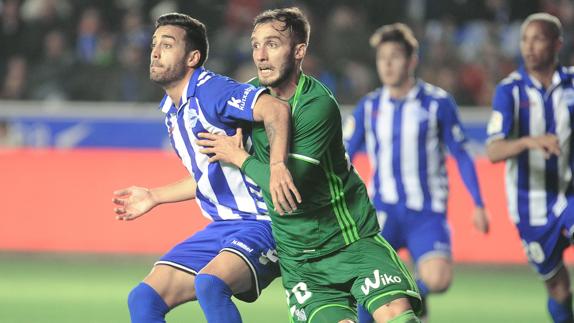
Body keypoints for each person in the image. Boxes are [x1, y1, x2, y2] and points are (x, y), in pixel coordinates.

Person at [196, 7, 421, 323]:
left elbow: (291, 187)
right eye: (255, 44)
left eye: (272, 44)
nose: (260, 55)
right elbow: (209, 164)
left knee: (399, 317)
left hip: (349, 241)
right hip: (301, 260)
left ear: (299, 51)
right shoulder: (248, 99)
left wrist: (239, 158)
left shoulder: (317, 104)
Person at [112, 12, 301, 323]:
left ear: (192, 57)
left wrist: (278, 166)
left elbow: (277, 110)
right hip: (222, 227)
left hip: (264, 223)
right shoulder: (173, 113)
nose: (156, 52)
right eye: (154, 45)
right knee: (144, 297)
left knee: (210, 283)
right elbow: (207, 177)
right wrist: (154, 196)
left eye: (168, 45)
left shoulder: (210, 90)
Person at [343, 23, 489, 321]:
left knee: (439, 279)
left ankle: (413, 296)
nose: (386, 63)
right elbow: (344, 156)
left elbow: (461, 154)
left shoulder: (437, 103)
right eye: (382, 57)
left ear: (412, 60)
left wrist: (478, 202)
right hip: (381, 210)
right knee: (368, 281)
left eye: (394, 56)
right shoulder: (370, 106)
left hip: (427, 213)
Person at [486, 13, 574, 323]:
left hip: (569, 194)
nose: (529, 46)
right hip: (530, 206)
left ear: (557, 44)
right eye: (525, 39)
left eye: (537, 38)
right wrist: (529, 142)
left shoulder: (572, 85)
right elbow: (493, 150)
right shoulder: (509, 91)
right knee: (559, 290)